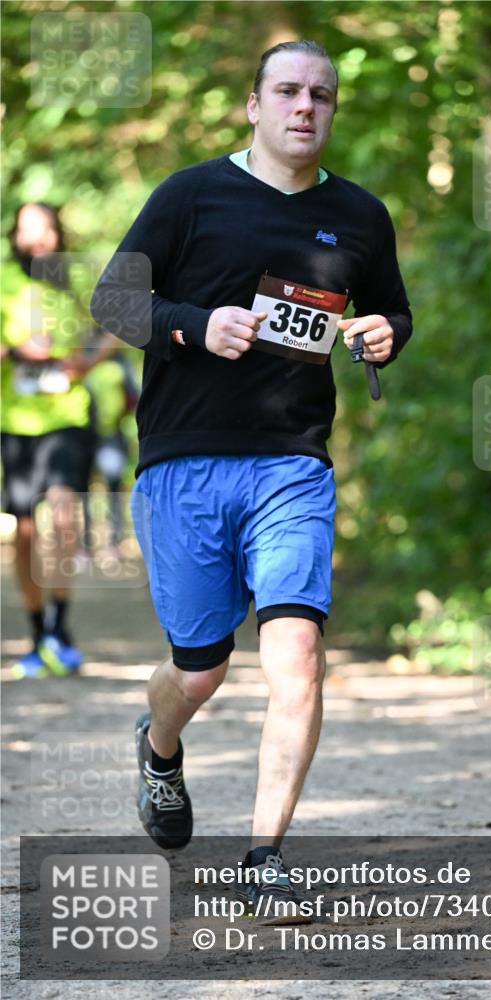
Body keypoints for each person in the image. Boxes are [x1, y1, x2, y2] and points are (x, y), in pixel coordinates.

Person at [91, 39, 412, 921]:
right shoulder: (191, 195)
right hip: (184, 461)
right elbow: (114, 302)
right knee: (198, 673)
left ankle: (265, 856)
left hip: (291, 462)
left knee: (297, 656)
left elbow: (391, 307)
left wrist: (387, 333)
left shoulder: (358, 215)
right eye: (287, 91)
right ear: (253, 104)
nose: (304, 107)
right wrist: (196, 325)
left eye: (321, 95)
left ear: (332, 109)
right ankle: (159, 751)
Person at [1, 203, 107, 678]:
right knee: (24, 531)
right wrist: (16, 351)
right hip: (17, 421)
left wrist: (84, 361)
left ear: (58, 233)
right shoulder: (4, 279)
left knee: (64, 515)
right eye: (27, 229)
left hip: (68, 414)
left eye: (44, 228)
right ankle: (36, 631)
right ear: (15, 236)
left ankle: (61, 629)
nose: (37, 237)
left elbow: (115, 325)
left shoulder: (76, 279)